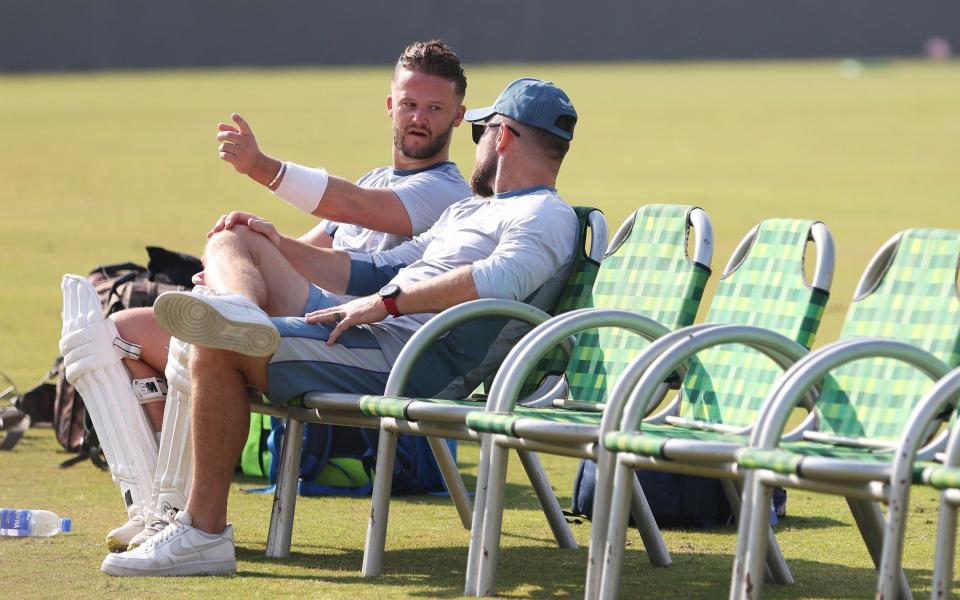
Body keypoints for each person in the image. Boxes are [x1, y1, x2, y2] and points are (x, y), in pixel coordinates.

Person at [99, 76, 581, 577]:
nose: (476, 141)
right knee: (235, 236)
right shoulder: (472, 209)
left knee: (215, 347)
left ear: (502, 136)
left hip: (409, 358)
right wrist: (280, 245)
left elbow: (497, 281)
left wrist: (387, 304)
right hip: (379, 331)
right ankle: (240, 310)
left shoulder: (546, 214)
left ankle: (202, 533)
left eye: (481, 128)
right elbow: (377, 271)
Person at [59, 39, 471, 553]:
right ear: (390, 105)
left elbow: (352, 204)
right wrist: (231, 268)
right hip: (299, 317)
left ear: (457, 118)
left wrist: (261, 170)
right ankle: (162, 507)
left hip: (349, 334)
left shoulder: (449, 194)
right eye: (410, 104)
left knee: (233, 244)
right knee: (117, 337)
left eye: (434, 109)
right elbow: (299, 251)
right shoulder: (378, 176)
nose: (419, 118)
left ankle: (235, 317)